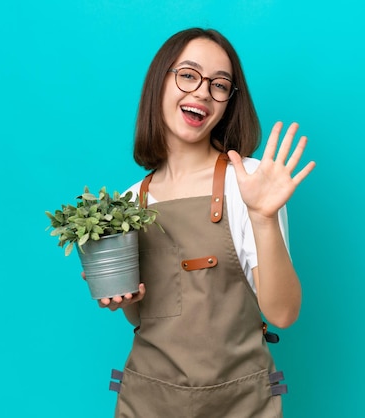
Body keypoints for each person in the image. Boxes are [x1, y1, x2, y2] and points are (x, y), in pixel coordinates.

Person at [92, 27, 315, 417]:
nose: (201, 92)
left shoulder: (249, 183)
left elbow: (283, 313)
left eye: (220, 84)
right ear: (160, 81)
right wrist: (124, 298)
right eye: (189, 75)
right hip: (146, 401)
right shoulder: (130, 202)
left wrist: (263, 218)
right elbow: (144, 317)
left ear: (229, 102)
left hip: (240, 405)